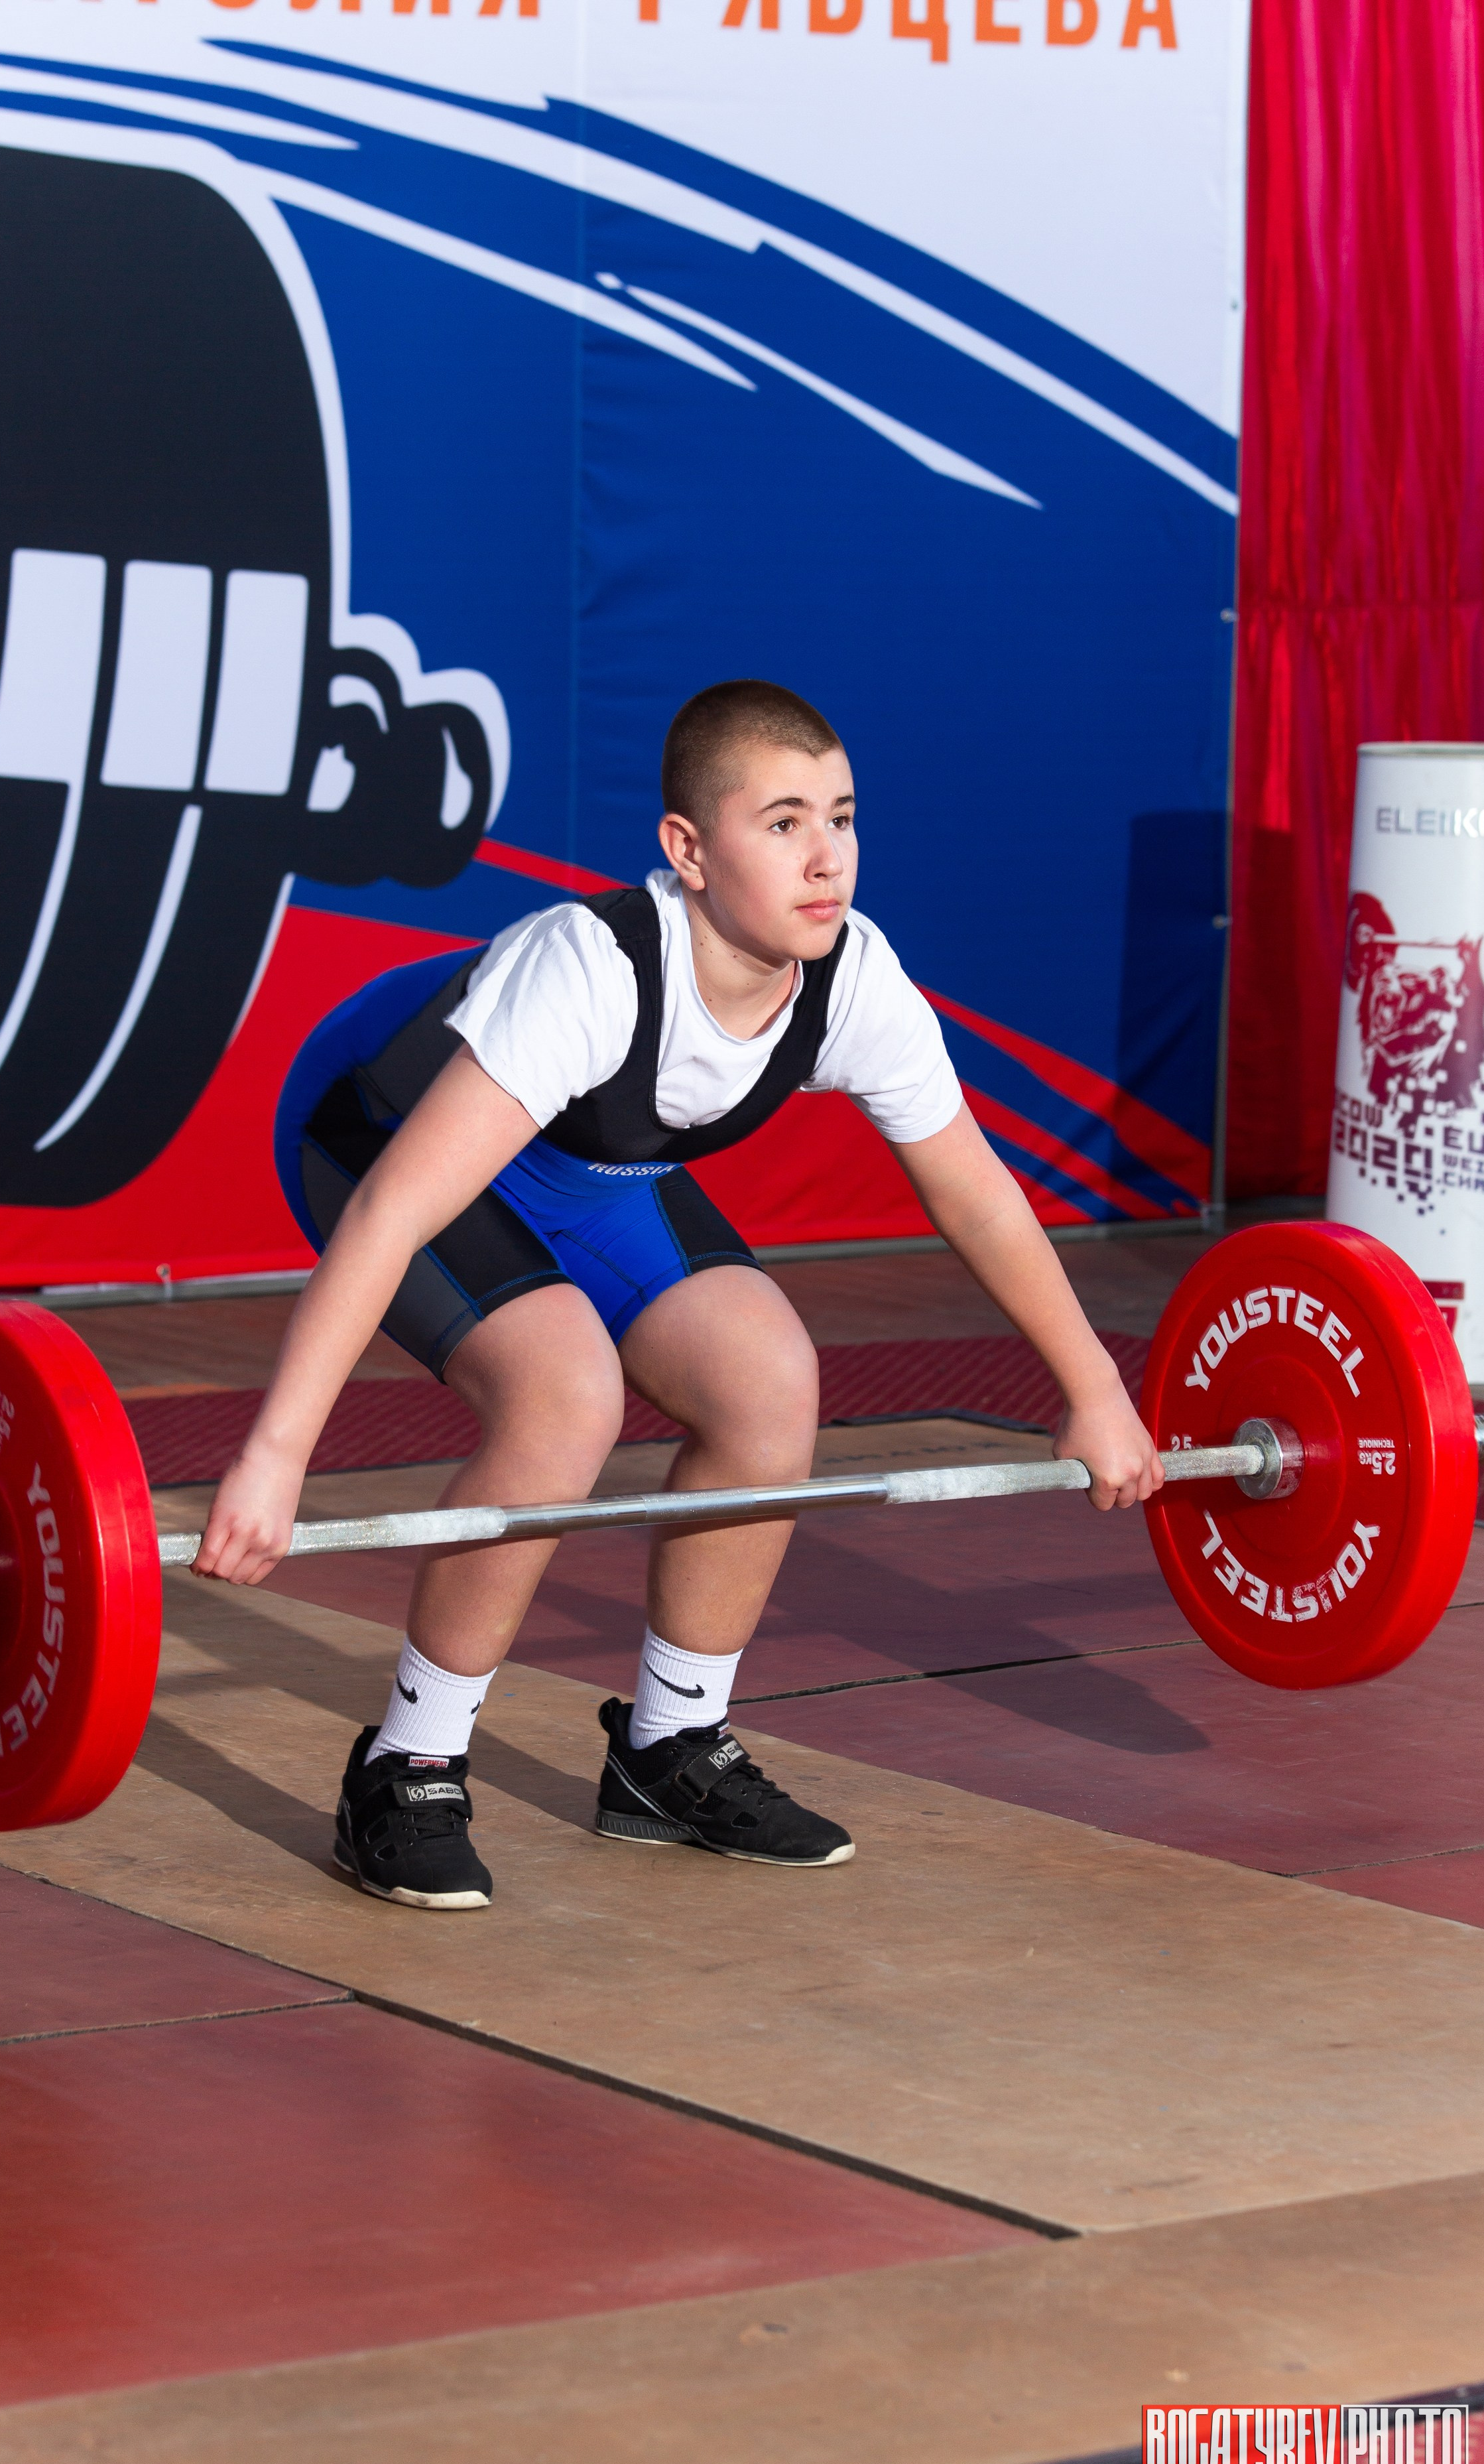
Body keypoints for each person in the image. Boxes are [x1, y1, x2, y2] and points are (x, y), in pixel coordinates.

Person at [196, 681, 1162, 1911]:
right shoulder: (591, 970)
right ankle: (409, 1764)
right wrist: (278, 1455)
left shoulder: (852, 976)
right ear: (688, 852)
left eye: (844, 817)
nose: (828, 858)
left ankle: (669, 1750)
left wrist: (1096, 1395)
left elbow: (977, 1198)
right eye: (783, 823)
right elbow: (394, 1211)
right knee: (564, 1398)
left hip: (595, 1172)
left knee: (768, 1381)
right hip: (378, 1132)